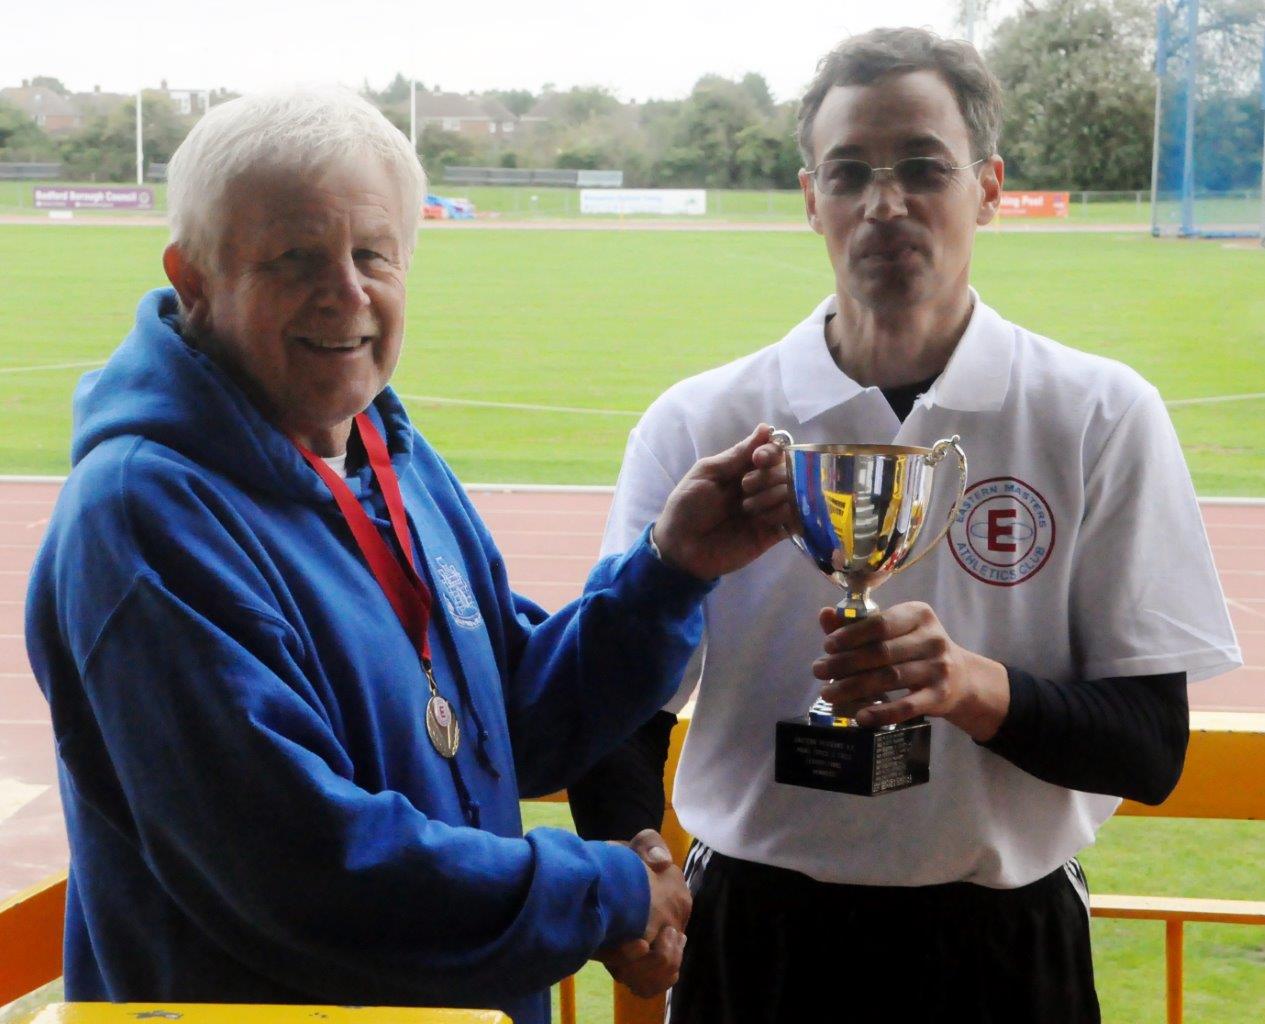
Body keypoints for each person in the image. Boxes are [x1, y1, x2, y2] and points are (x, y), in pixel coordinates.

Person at [23, 88, 793, 1024]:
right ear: (194, 278)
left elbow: (512, 725)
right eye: (295, 257)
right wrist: (603, 892)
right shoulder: (142, 516)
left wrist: (668, 571)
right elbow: (303, 869)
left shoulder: (386, 454)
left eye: (372, 254)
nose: (345, 292)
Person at [571, 27, 1242, 1022]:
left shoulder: (1097, 415)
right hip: (757, 937)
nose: (883, 204)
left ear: (987, 188)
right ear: (812, 199)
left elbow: (1147, 749)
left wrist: (972, 688)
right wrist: (633, 858)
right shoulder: (701, 423)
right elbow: (614, 702)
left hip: (1003, 945)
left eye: (923, 168)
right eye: (849, 173)